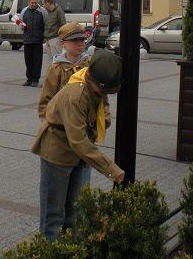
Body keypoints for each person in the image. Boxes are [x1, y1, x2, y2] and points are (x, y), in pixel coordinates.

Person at [31, 48, 124, 241]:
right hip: (58, 155)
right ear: (95, 83)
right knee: (53, 217)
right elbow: (78, 140)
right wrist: (111, 170)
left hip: (79, 157)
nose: (106, 94)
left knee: (75, 212)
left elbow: (102, 109)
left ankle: (70, 251)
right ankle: (51, 253)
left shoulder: (95, 86)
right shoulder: (76, 94)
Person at [38, 22, 89, 118]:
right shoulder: (56, 69)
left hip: (87, 122)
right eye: (74, 40)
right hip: (62, 123)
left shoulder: (90, 65)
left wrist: (104, 119)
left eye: (82, 39)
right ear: (62, 43)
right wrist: (49, 121)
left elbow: (100, 97)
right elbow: (46, 99)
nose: (80, 43)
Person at [19, 0, 45, 87]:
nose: (34, 4)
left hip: (38, 40)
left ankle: (35, 80)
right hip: (27, 40)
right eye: (32, 3)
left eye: (35, 3)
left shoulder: (42, 11)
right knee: (28, 61)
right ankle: (29, 79)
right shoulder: (24, 11)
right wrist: (21, 26)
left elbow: (46, 23)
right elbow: (20, 22)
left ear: (37, 2)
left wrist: (44, 37)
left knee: (37, 61)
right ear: (29, 2)